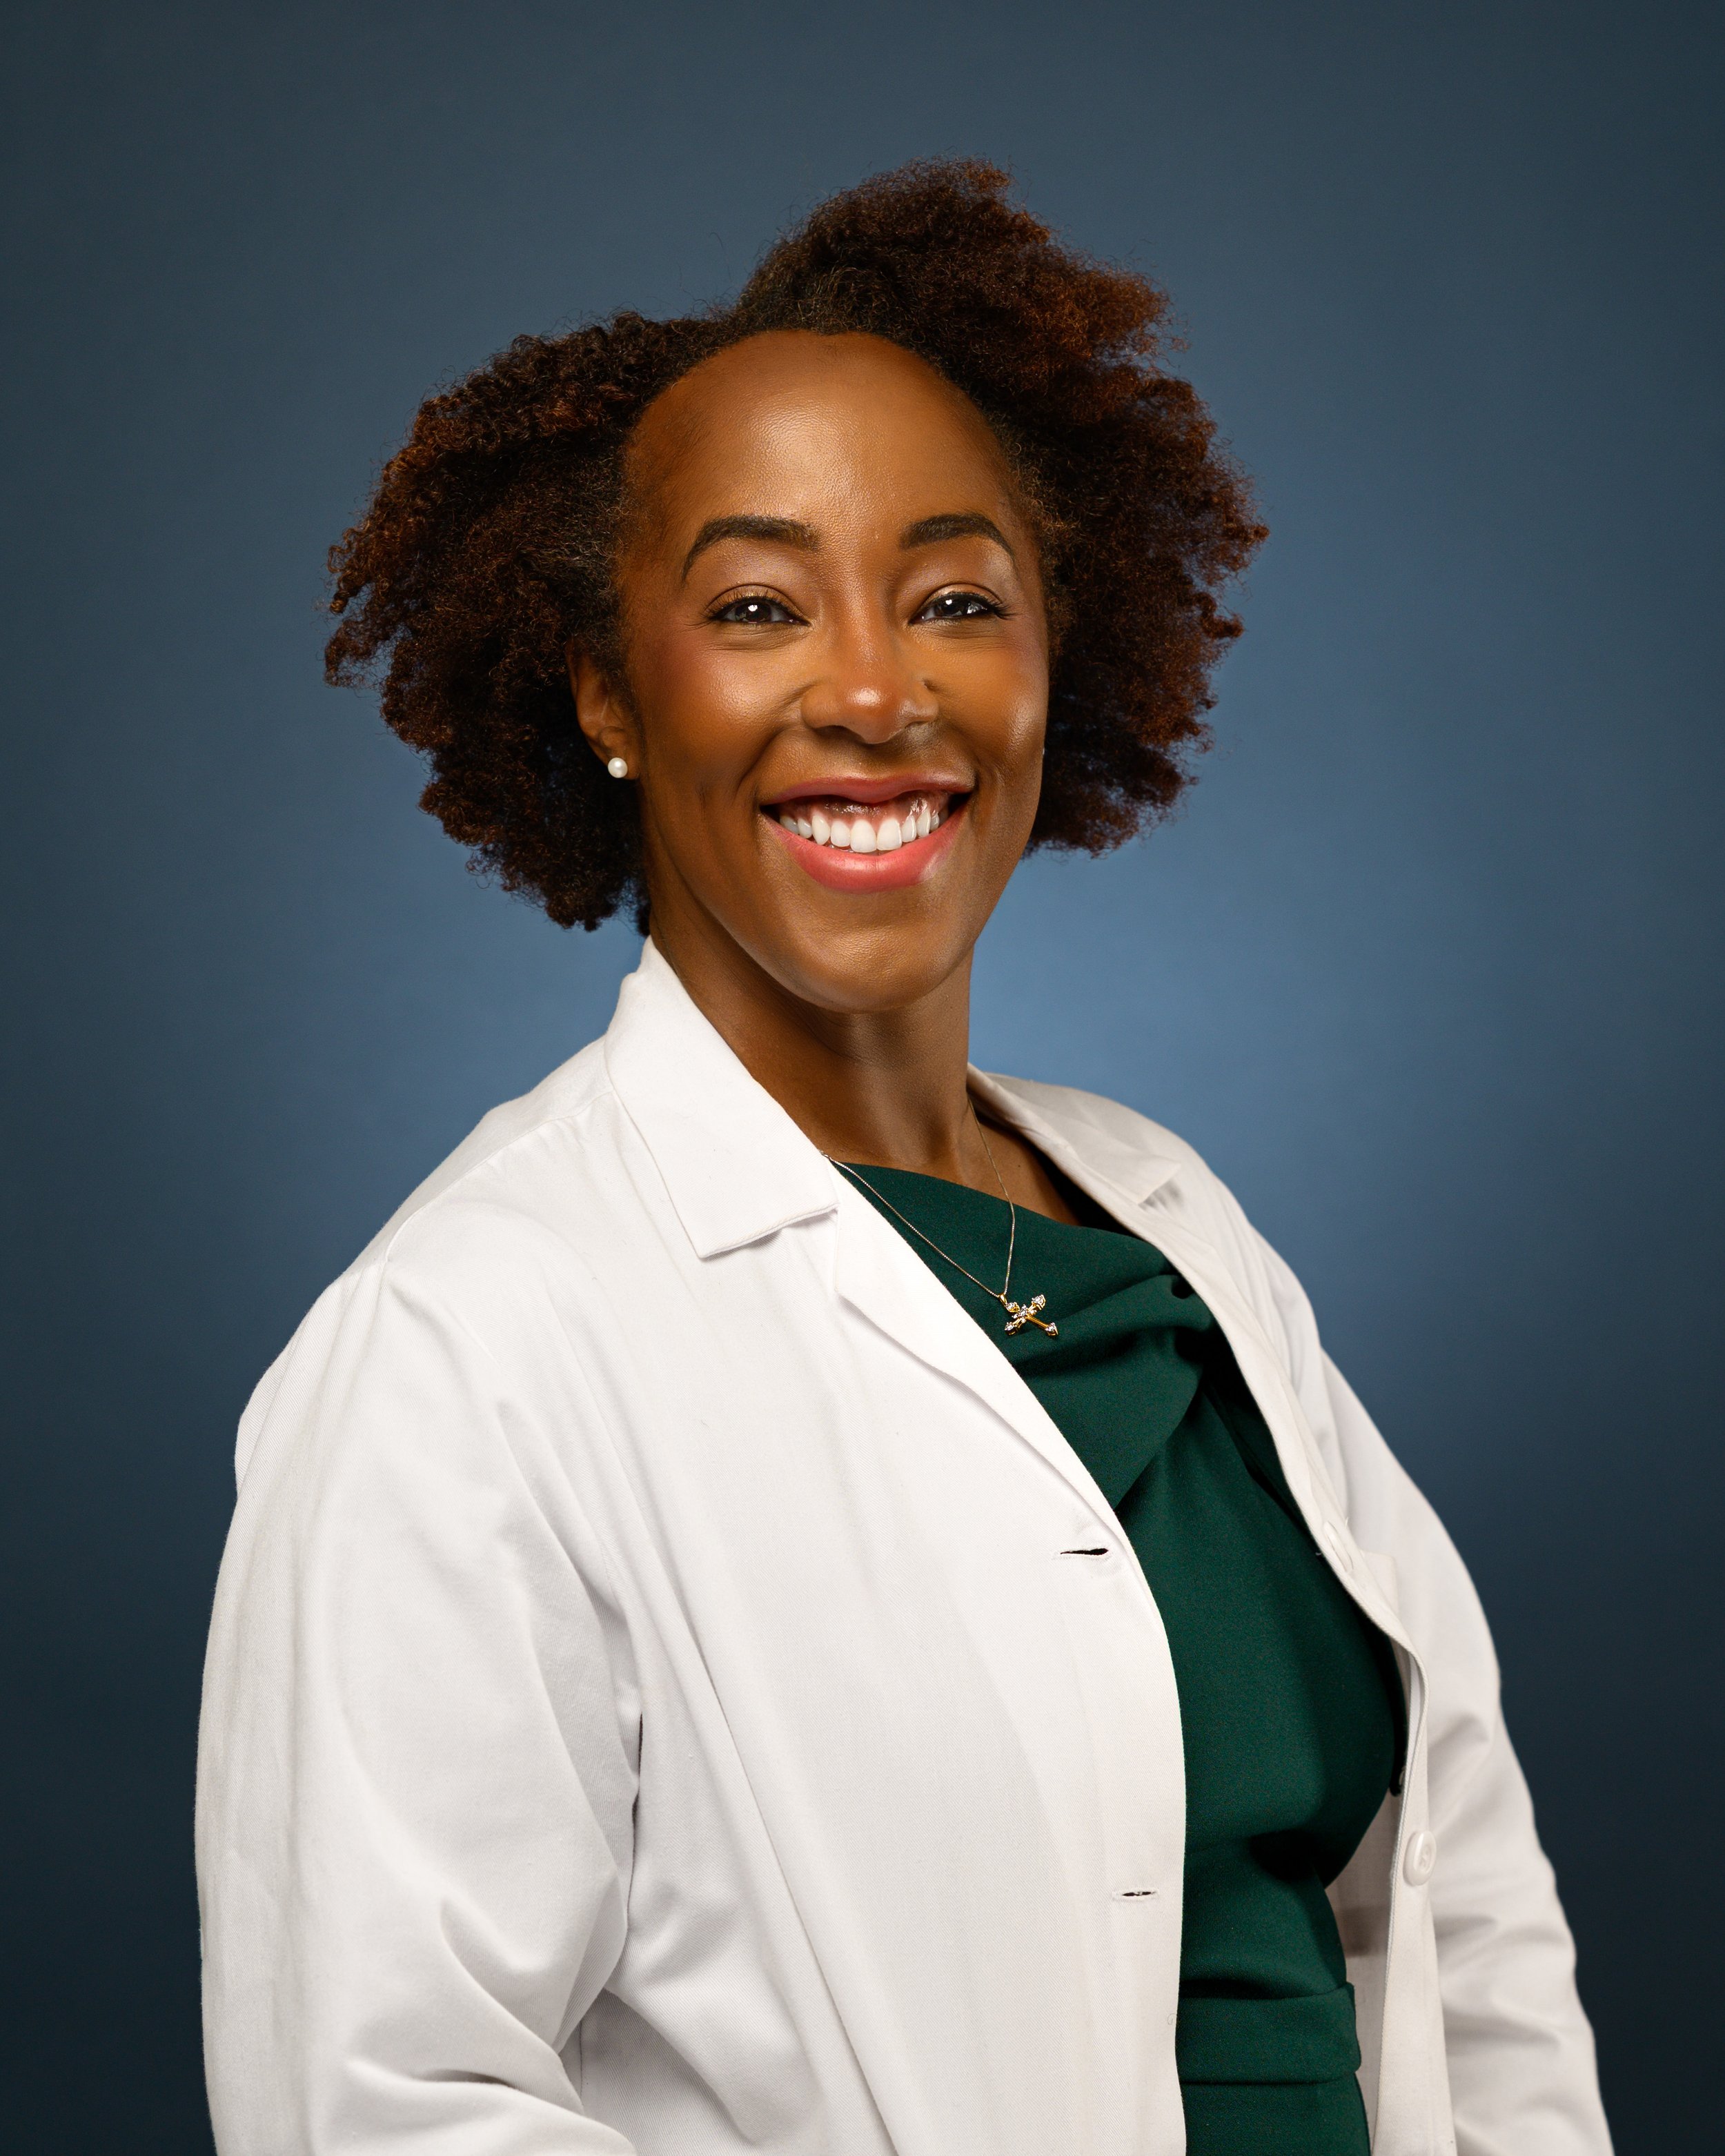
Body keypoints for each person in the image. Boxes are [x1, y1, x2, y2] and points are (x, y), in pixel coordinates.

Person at [196, 160, 1611, 2156]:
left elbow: (1464, 1935)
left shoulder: (1179, 1231)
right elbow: (388, 2109)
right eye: (757, 607)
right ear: (609, 686)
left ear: (1053, 659)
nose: (873, 692)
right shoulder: (465, 1347)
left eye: (955, 599)